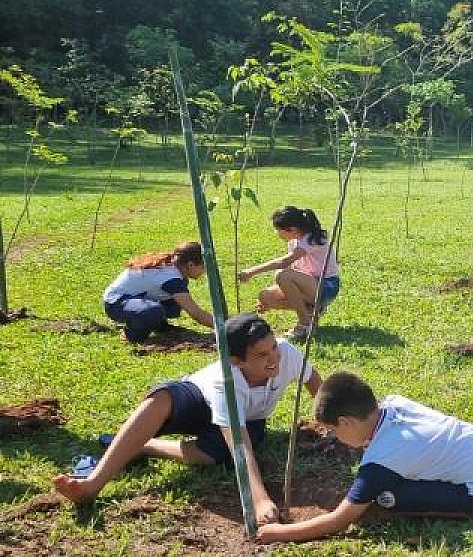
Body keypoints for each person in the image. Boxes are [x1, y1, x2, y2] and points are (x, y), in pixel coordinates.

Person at [52, 313, 322, 525]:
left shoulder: (287, 353)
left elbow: (314, 383)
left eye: (273, 347)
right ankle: (92, 484)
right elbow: (239, 445)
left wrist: (329, 423)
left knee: (218, 455)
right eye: (262, 355)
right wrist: (260, 500)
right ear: (237, 361)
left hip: (249, 418)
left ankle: (146, 446)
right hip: (198, 400)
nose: (274, 358)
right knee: (161, 398)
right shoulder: (224, 380)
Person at [255, 372, 473, 543]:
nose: (335, 436)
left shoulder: (381, 461)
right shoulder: (394, 403)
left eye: (334, 430)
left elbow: (339, 521)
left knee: (385, 498)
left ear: (346, 422)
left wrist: (280, 532)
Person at [238, 206, 340, 339]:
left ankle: (305, 324)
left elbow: (284, 263)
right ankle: (311, 310)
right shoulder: (294, 242)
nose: (276, 233)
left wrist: (251, 271)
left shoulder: (311, 239)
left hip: (326, 287)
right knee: (265, 297)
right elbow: (294, 271)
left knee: (282, 274)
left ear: (292, 229)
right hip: (310, 286)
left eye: (278, 230)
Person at [102, 241, 214, 342]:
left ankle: (158, 325)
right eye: (203, 267)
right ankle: (131, 335)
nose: (204, 271)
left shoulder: (176, 268)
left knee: (173, 307)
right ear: (190, 264)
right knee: (153, 311)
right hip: (115, 303)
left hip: (135, 298)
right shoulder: (171, 278)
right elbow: (197, 314)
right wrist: (225, 327)